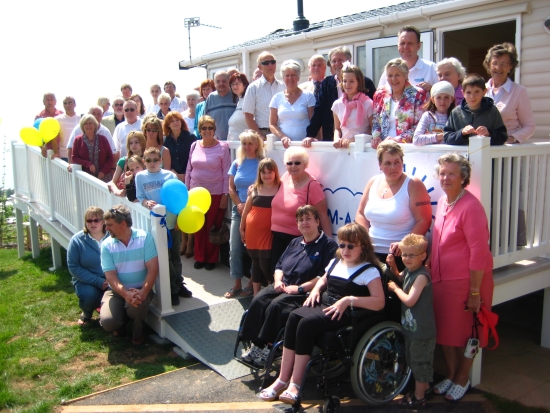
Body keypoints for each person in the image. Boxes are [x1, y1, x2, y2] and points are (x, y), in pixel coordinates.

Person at [258, 223, 384, 403]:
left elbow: (379, 302)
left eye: (351, 246)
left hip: (345, 312)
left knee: (305, 324)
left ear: (362, 247)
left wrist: (348, 300)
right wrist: (316, 290)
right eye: (342, 245)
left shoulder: (369, 271)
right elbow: (323, 280)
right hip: (325, 304)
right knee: (293, 317)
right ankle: (282, 379)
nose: (345, 250)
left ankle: (295, 384)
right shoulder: (335, 262)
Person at [429, 153, 494, 402]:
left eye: (452, 174)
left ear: (463, 177)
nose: (445, 178)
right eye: (442, 173)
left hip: (467, 283)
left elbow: (479, 252)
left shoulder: (471, 207)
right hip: (441, 280)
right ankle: (451, 374)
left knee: (469, 333)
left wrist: (475, 292)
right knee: (445, 332)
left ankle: (462, 378)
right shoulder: (443, 201)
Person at [240, 205, 338, 367]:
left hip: (303, 291)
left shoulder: (328, 245)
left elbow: (324, 276)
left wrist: (300, 288)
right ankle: (255, 343)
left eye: (308, 219)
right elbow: (279, 266)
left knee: (277, 305)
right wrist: (278, 281)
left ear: (317, 222)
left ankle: (269, 347)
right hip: (283, 284)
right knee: (259, 299)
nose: (304, 222)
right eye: (301, 220)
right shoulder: (295, 242)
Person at [355, 140, 432, 271]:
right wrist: (364, 238)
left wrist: (404, 244)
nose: (393, 167)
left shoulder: (414, 184)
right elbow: (361, 214)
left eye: (397, 162)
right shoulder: (373, 181)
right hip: (370, 253)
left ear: (402, 162)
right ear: (379, 165)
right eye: (387, 163)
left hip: (403, 256)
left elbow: (424, 221)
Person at [136, 147, 192, 304]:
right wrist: (146, 202)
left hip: (172, 221)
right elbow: (140, 196)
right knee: (165, 258)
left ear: (161, 160)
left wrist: (179, 218)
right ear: (144, 161)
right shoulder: (140, 176)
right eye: (148, 160)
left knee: (175, 256)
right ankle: (173, 288)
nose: (152, 163)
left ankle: (179, 283)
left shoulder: (170, 175)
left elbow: (180, 197)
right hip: (157, 224)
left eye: (155, 160)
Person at [386, 234, 435, 409]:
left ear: (423, 256)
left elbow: (410, 300)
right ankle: (425, 389)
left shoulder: (421, 276)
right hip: (412, 329)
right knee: (413, 360)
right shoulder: (409, 270)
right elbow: (400, 278)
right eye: (404, 254)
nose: (406, 258)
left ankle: (419, 397)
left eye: (411, 255)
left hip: (421, 332)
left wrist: (395, 289)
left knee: (420, 363)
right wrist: (393, 265)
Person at [100, 205, 158, 345]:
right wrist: (125, 294)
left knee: (136, 305)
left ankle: (137, 333)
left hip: (140, 290)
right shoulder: (106, 245)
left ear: (123, 223)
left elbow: (153, 269)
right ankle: (120, 324)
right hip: (116, 292)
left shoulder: (144, 238)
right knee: (108, 322)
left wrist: (143, 292)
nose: (106, 228)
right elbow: (111, 276)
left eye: (110, 225)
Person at [271, 147, 332, 274]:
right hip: (276, 237)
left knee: (291, 275)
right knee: (275, 274)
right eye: (289, 163)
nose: (293, 166)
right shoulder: (285, 177)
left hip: (297, 241)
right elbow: (267, 186)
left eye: (297, 163)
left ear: (305, 164)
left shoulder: (312, 185)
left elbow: (322, 215)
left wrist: (328, 245)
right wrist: (255, 188)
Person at [185, 116, 231, 270]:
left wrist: (225, 195)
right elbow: (189, 169)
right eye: (203, 128)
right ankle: (200, 257)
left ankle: (211, 259)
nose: (207, 131)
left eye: (210, 128)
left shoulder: (223, 147)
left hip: (215, 193)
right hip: (195, 194)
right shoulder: (194, 145)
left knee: (212, 227)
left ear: (214, 130)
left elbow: (227, 173)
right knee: (199, 227)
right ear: (199, 130)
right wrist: (187, 191)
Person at [306, 46, 376, 142]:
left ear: (349, 60)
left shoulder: (366, 83)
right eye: (334, 61)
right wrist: (310, 135)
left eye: (340, 60)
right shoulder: (326, 83)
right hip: (334, 140)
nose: (337, 64)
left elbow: (374, 120)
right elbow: (319, 111)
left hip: (361, 142)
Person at [225, 131, 264, 298]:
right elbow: (231, 188)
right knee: (234, 247)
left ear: (256, 145)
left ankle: (252, 281)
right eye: (244, 144)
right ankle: (237, 282)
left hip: (256, 210)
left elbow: (266, 184)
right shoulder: (237, 163)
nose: (247, 147)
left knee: (254, 249)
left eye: (250, 143)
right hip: (238, 209)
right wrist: (239, 204)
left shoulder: (262, 163)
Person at [240, 158, 281, 295]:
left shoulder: (281, 187)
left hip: (268, 234)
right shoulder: (255, 188)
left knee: (266, 265)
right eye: (263, 172)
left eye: (270, 172)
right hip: (252, 234)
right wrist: (241, 228)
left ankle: (270, 293)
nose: (267, 175)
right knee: (256, 264)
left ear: (275, 172)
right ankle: (256, 295)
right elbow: (246, 211)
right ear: (259, 174)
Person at [484, 42, 535, 143]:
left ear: (510, 67)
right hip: (482, 147)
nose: (498, 68)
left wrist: (512, 138)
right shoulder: (480, 90)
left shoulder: (519, 91)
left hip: (505, 149)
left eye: (503, 64)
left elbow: (529, 126)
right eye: (494, 63)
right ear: (489, 65)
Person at [371, 58, 427, 149]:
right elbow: (376, 122)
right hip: (383, 147)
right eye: (390, 75)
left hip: (407, 148)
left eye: (397, 75)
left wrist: (397, 140)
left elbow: (420, 126)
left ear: (406, 75)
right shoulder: (380, 94)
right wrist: (376, 137)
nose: (393, 79)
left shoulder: (418, 94)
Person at [163, 111, 197, 258]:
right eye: (172, 121)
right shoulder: (166, 141)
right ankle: (183, 242)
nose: (176, 123)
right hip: (174, 179)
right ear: (168, 125)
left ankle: (190, 244)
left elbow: (194, 158)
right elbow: (165, 160)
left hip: (189, 177)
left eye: (178, 120)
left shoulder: (190, 137)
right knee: (179, 211)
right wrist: (175, 173)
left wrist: (186, 174)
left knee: (189, 210)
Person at [67, 206, 109, 325]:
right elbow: (73, 267)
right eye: (89, 221)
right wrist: (97, 281)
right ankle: (87, 312)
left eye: (96, 220)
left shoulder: (113, 237)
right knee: (89, 296)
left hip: (112, 279)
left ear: (103, 221)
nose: (93, 223)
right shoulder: (77, 240)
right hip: (87, 281)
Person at [444, 74, 507, 146]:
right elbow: (447, 138)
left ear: (484, 92)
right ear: (463, 93)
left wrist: (489, 133)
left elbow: (503, 137)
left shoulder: (492, 111)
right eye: (468, 92)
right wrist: (461, 133)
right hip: (462, 153)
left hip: (485, 153)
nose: (472, 96)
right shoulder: (455, 112)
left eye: (477, 92)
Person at [269, 60, 316, 148]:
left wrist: (311, 137)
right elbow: (272, 125)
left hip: (305, 145)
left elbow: (314, 122)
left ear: (298, 77)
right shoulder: (276, 98)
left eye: (293, 75)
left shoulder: (308, 96)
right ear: (283, 78)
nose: (290, 78)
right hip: (284, 146)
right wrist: (283, 136)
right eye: (287, 75)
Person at [378, 26, 438, 93]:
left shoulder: (431, 69)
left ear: (418, 46)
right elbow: (379, 94)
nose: (406, 47)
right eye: (402, 43)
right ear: (398, 46)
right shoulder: (389, 70)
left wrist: (432, 89)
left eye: (410, 43)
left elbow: (444, 95)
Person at [243, 51, 286, 139]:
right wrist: (259, 136)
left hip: (282, 132)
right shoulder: (253, 88)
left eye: (272, 62)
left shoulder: (283, 86)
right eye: (266, 63)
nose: (270, 65)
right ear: (260, 67)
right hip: (263, 132)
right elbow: (248, 116)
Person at [332, 64, 373, 149]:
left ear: (359, 82)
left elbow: (373, 129)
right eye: (345, 81)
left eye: (351, 81)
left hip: (363, 148)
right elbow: (337, 129)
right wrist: (336, 139)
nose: (347, 84)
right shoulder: (337, 104)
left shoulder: (368, 103)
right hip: (343, 148)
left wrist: (352, 140)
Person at [71, 114, 114, 182]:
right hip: (85, 178)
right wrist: (88, 164)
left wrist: (103, 171)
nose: (88, 126)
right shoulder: (78, 140)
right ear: (82, 126)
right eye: (85, 124)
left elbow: (110, 158)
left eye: (90, 123)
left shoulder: (103, 139)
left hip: (104, 177)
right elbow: (74, 158)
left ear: (95, 125)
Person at [413, 81, 456, 146]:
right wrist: (440, 136)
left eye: (446, 97)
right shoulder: (427, 116)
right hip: (431, 152)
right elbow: (416, 140)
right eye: (439, 97)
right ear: (433, 100)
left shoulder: (456, 116)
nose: (442, 101)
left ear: (451, 99)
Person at [107, 131, 146, 196]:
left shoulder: (148, 160)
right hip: (127, 196)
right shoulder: (123, 160)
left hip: (144, 196)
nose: (133, 145)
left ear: (142, 143)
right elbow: (112, 183)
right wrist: (117, 192)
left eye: (136, 142)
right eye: (131, 143)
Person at [204, 71, 236, 141]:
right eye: (218, 81)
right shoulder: (211, 98)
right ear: (214, 83)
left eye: (224, 81)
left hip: (235, 141)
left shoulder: (235, 96)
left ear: (229, 82)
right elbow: (205, 121)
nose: (221, 84)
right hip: (216, 142)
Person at [50, 96, 81, 161]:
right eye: (65, 103)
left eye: (70, 103)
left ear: (75, 104)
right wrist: (56, 152)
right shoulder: (57, 119)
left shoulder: (81, 119)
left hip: (79, 155)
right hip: (64, 155)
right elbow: (54, 138)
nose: (67, 105)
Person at [227, 73, 250, 141]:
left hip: (244, 144)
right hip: (234, 144)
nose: (234, 86)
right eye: (232, 84)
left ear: (244, 85)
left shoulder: (248, 100)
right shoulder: (239, 102)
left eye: (237, 84)